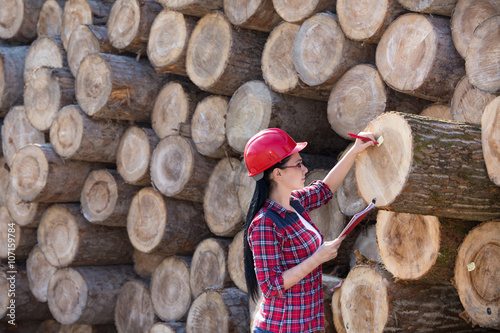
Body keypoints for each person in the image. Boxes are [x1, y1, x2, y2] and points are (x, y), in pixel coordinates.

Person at [243, 128, 375, 333]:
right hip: (280, 329)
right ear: (277, 173)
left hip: (305, 327)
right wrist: (316, 258)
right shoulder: (265, 224)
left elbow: (325, 189)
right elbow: (271, 286)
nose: (305, 169)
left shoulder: (295, 202)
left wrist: (355, 150)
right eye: (298, 165)